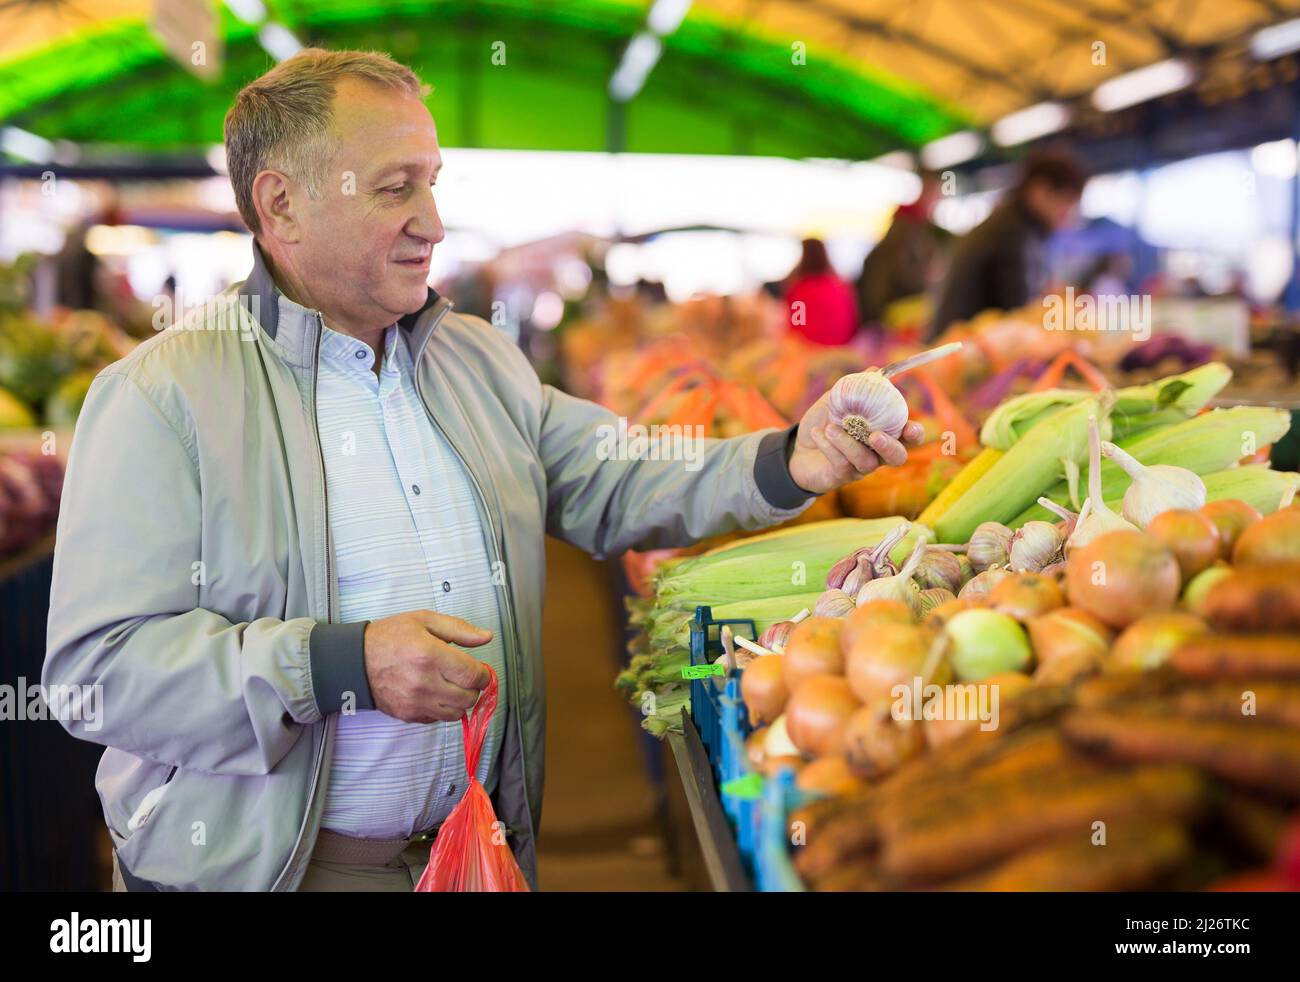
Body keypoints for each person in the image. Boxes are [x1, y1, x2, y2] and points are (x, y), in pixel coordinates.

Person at [43, 48, 924, 893]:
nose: (431, 219)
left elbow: (617, 475)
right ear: (281, 206)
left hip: (474, 849)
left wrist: (787, 460)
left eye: (432, 181)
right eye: (396, 188)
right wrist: (339, 665)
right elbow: (99, 674)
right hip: (273, 874)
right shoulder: (162, 397)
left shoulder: (477, 361)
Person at [929, 150, 1087, 339]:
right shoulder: (1013, 232)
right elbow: (1019, 312)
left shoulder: (1012, 222)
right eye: (1066, 201)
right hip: (960, 348)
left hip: (959, 341)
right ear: (1040, 191)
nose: (1068, 213)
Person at [857, 172, 946, 325]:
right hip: (894, 312)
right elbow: (905, 274)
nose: (936, 201)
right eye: (934, 194)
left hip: (892, 310)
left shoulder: (917, 227)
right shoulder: (909, 227)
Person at [784, 238, 859, 346]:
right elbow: (852, 323)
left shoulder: (799, 291)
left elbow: (796, 327)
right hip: (841, 349)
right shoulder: (840, 287)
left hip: (810, 352)